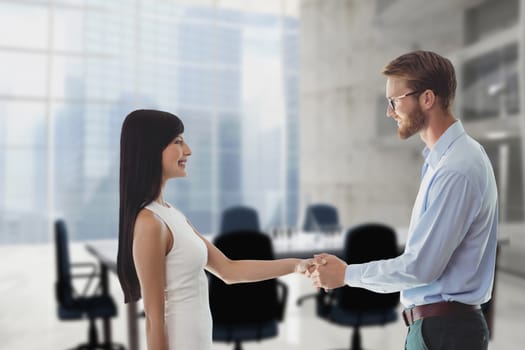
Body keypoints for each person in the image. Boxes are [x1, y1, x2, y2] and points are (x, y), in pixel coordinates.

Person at [308, 51, 498, 350]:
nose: (389, 112)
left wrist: (346, 274)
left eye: (394, 101)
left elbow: (421, 267)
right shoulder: (444, 162)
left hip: (444, 331)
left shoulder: (456, 169)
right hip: (439, 328)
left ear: (427, 99)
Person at [116, 109, 311, 350]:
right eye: (178, 142)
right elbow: (154, 322)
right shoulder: (149, 223)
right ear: (151, 149)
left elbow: (229, 270)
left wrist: (296, 265)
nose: (188, 150)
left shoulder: (172, 214)